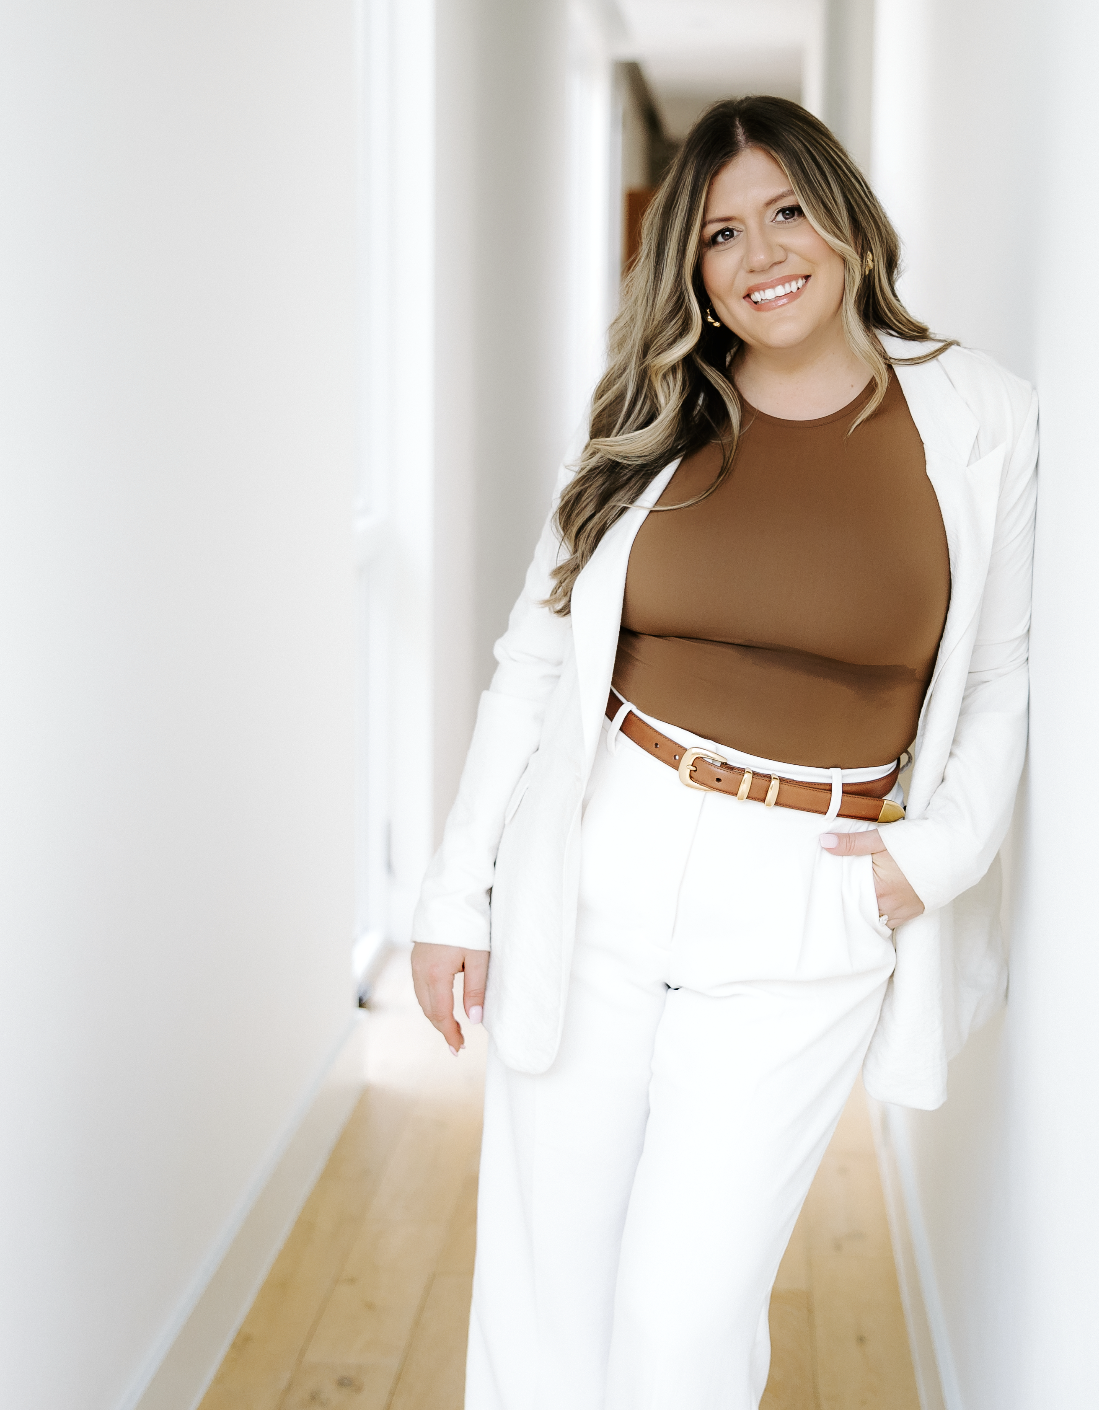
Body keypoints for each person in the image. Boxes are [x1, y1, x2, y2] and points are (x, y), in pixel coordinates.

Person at [410, 95, 1035, 1410]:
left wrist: (932, 858)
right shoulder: (654, 416)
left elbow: (998, 672)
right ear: (688, 271)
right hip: (599, 865)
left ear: (849, 216)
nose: (763, 256)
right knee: (548, 1299)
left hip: (811, 892)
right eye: (719, 236)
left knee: (686, 1319)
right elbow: (535, 659)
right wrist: (453, 894)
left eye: (789, 212)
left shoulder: (979, 417)